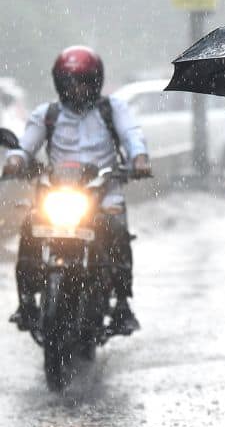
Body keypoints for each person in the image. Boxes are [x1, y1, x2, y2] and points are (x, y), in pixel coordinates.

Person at [4, 45, 151, 334]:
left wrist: (139, 158)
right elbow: (25, 145)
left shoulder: (113, 109)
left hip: (104, 192)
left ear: (95, 81)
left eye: (83, 81)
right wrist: (16, 160)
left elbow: (132, 135)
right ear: (59, 82)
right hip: (59, 194)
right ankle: (26, 303)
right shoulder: (47, 114)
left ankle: (122, 305)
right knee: (29, 227)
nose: (76, 88)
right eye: (69, 81)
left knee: (117, 229)